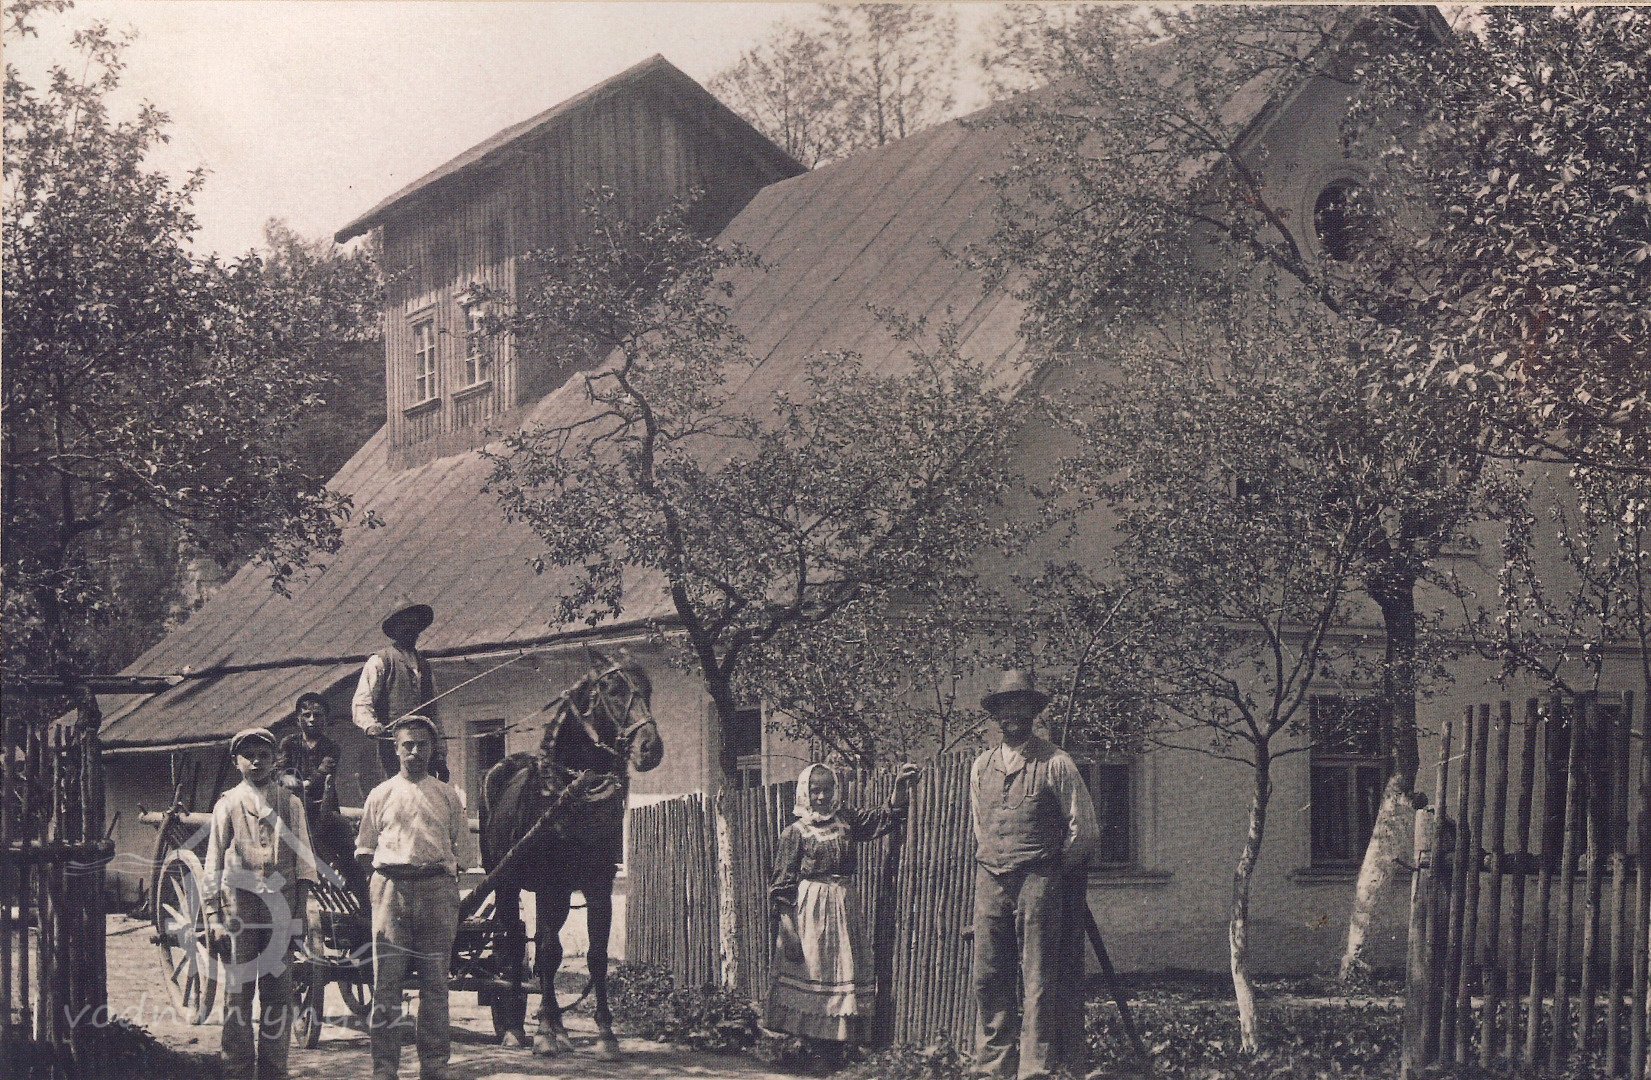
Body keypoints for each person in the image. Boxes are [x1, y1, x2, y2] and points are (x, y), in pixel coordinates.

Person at [969, 670, 1100, 1080]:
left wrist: (1052, 870)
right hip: (991, 877)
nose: (1012, 715)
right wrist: (998, 857)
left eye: (1020, 706)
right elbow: (980, 825)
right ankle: (994, 1066)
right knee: (989, 974)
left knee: (1037, 976)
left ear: (1033, 712)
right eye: (1004, 708)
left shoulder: (1056, 763)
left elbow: (1084, 830)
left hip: (1037, 879)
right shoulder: (981, 766)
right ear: (996, 715)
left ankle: (1034, 1068)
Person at [765, 760, 920, 1053]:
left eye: (827, 790)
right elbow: (781, 887)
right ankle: (809, 1047)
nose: (821, 797)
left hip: (844, 906)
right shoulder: (795, 832)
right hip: (811, 911)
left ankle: (835, 1048)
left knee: (841, 970)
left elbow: (882, 818)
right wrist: (789, 931)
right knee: (814, 971)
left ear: (836, 790)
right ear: (805, 792)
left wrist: (899, 787)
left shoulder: (846, 821)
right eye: (815, 791)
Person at [202, 727, 318, 1080]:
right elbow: (213, 862)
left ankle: (273, 1071)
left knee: (278, 994)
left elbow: (305, 863)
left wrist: (300, 912)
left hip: (281, 907)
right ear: (235, 761)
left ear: (275, 760)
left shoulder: (290, 803)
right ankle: (236, 1069)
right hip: (239, 908)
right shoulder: (228, 804)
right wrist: (214, 916)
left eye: (264, 756)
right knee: (238, 993)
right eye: (248, 756)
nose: (256, 762)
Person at [355, 714, 466, 1080]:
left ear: (433, 749)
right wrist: (387, 882)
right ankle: (385, 1069)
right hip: (391, 889)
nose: (415, 752)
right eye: (408, 745)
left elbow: (462, 853)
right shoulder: (381, 794)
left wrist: (439, 882)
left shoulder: (447, 795)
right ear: (396, 748)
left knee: (435, 984)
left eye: (422, 745)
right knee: (386, 985)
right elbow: (365, 850)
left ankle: (434, 1068)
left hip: (436, 891)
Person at [277, 692, 368, 904]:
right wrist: (286, 778)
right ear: (298, 719)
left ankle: (364, 903)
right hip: (292, 809)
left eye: (317, 715)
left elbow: (323, 772)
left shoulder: (331, 747)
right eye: (306, 715)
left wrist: (305, 784)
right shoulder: (289, 743)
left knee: (346, 846)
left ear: (325, 719)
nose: (312, 719)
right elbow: (279, 768)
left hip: (322, 810)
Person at [352, 602, 450, 782]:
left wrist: (440, 756)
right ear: (394, 629)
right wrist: (371, 725)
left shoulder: (425, 666)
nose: (410, 628)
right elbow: (362, 702)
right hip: (392, 749)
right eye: (404, 623)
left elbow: (435, 714)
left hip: (422, 751)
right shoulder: (380, 661)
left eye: (414, 624)